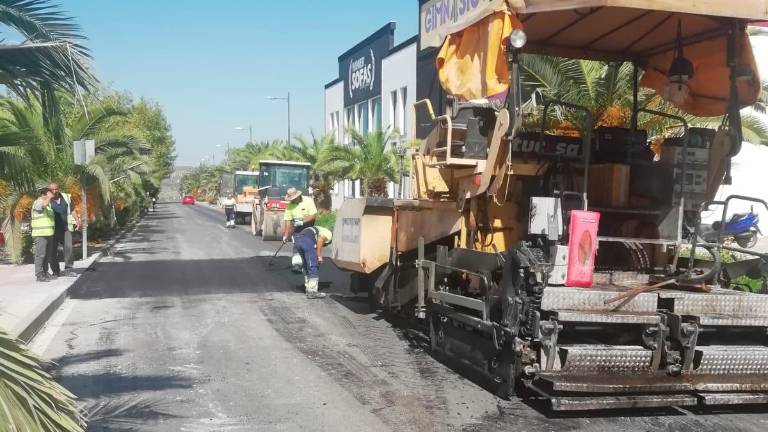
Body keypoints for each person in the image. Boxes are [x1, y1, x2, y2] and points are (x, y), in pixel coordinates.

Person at [48, 182, 80, 277]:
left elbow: (72, 209)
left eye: (56, 189)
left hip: (66, 229)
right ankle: (56, 271)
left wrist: (77, 220)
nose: (54, 191)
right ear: (49, 190)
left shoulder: (66, 197)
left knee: (69, 249)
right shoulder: (47, 200)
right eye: (52, 190)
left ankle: (68, 269)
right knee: (52, 252)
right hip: (53, 231)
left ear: (59, 188)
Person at [282, 188, 317, 272]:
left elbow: (313, 215)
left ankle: (310, 264)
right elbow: (287, 221)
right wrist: (286, 235)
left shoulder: (308, 201)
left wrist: (302, 221)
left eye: (294, 198)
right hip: (297, 228)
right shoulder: (290, 206)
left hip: (308, 227)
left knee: (308, 245)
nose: (292, 200)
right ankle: (297, 265)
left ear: (298, 196)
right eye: (291, 199)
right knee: (297, 245)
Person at [294, 225, 332, 299]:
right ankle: (312, 291)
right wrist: (319, 256)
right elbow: (320, 240)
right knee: (313, 265)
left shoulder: (319, 229)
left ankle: (308, 288)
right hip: (307, 240)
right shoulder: (329, 234)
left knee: (305, 265)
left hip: (298, 240)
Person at [31, 187, 56, 282]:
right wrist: (48, 198)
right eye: (49, 194)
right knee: (40, 255)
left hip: (49, 234)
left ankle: (45, 272)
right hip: (40, 234)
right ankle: (39, 274)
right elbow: (42, 206)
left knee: (47, 255)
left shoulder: (48, 205)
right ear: (43, 194)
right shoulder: (38, 202)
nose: (51, 195)